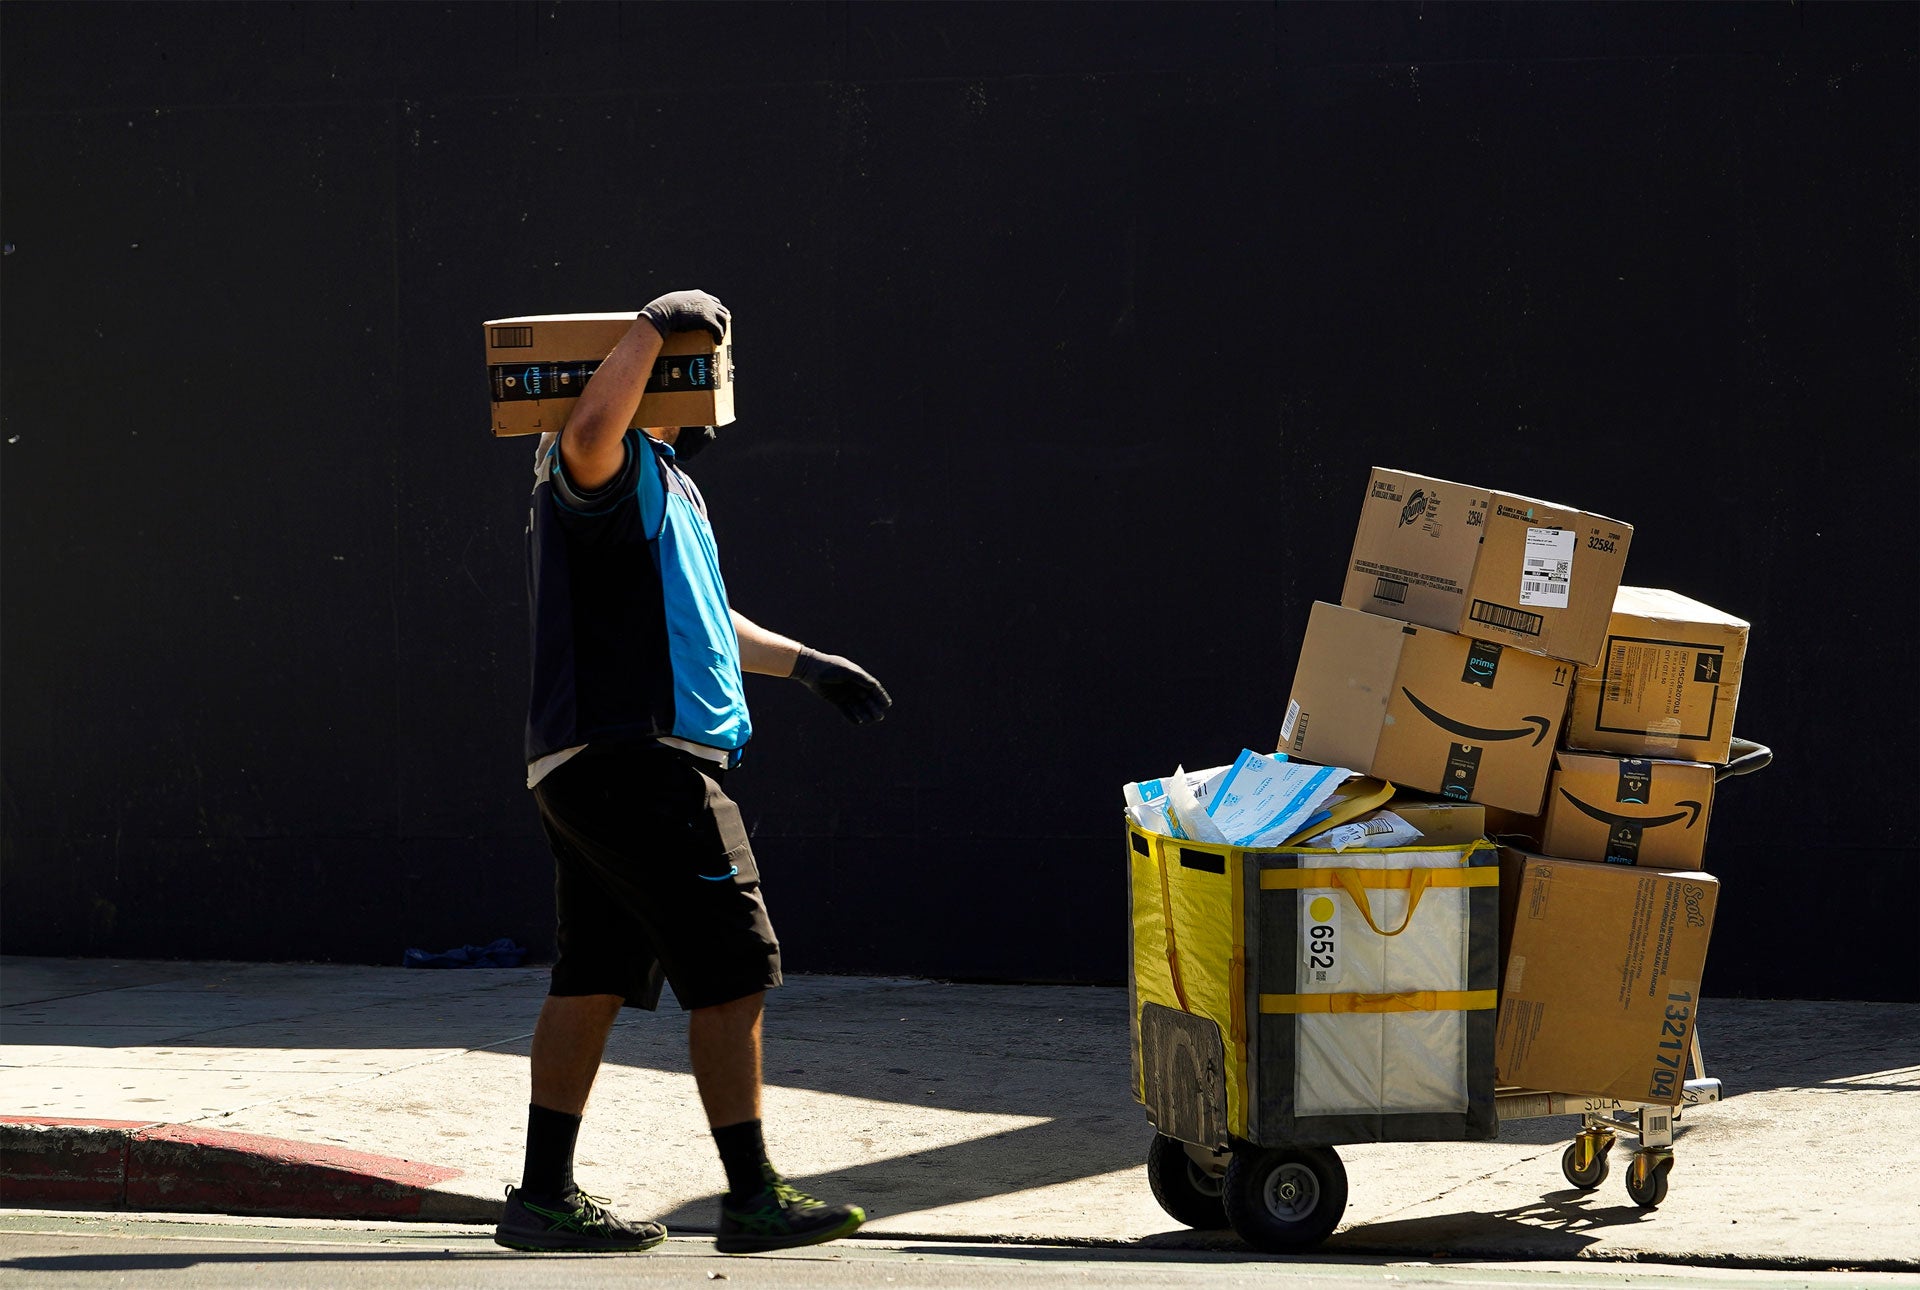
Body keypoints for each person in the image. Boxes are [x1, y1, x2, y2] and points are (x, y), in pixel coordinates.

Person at [494, 288, 892, 1256]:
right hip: (639, 762)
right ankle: (752, 1196)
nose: (716, 385)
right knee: (733, 965)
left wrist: (809, 666)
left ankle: (542, 1196)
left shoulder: (664, 484)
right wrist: (651, 324)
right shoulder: (605, 461)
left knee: (592, 978)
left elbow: (707, 617)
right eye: (702, 366)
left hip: (590, 766)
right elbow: (589, 427)